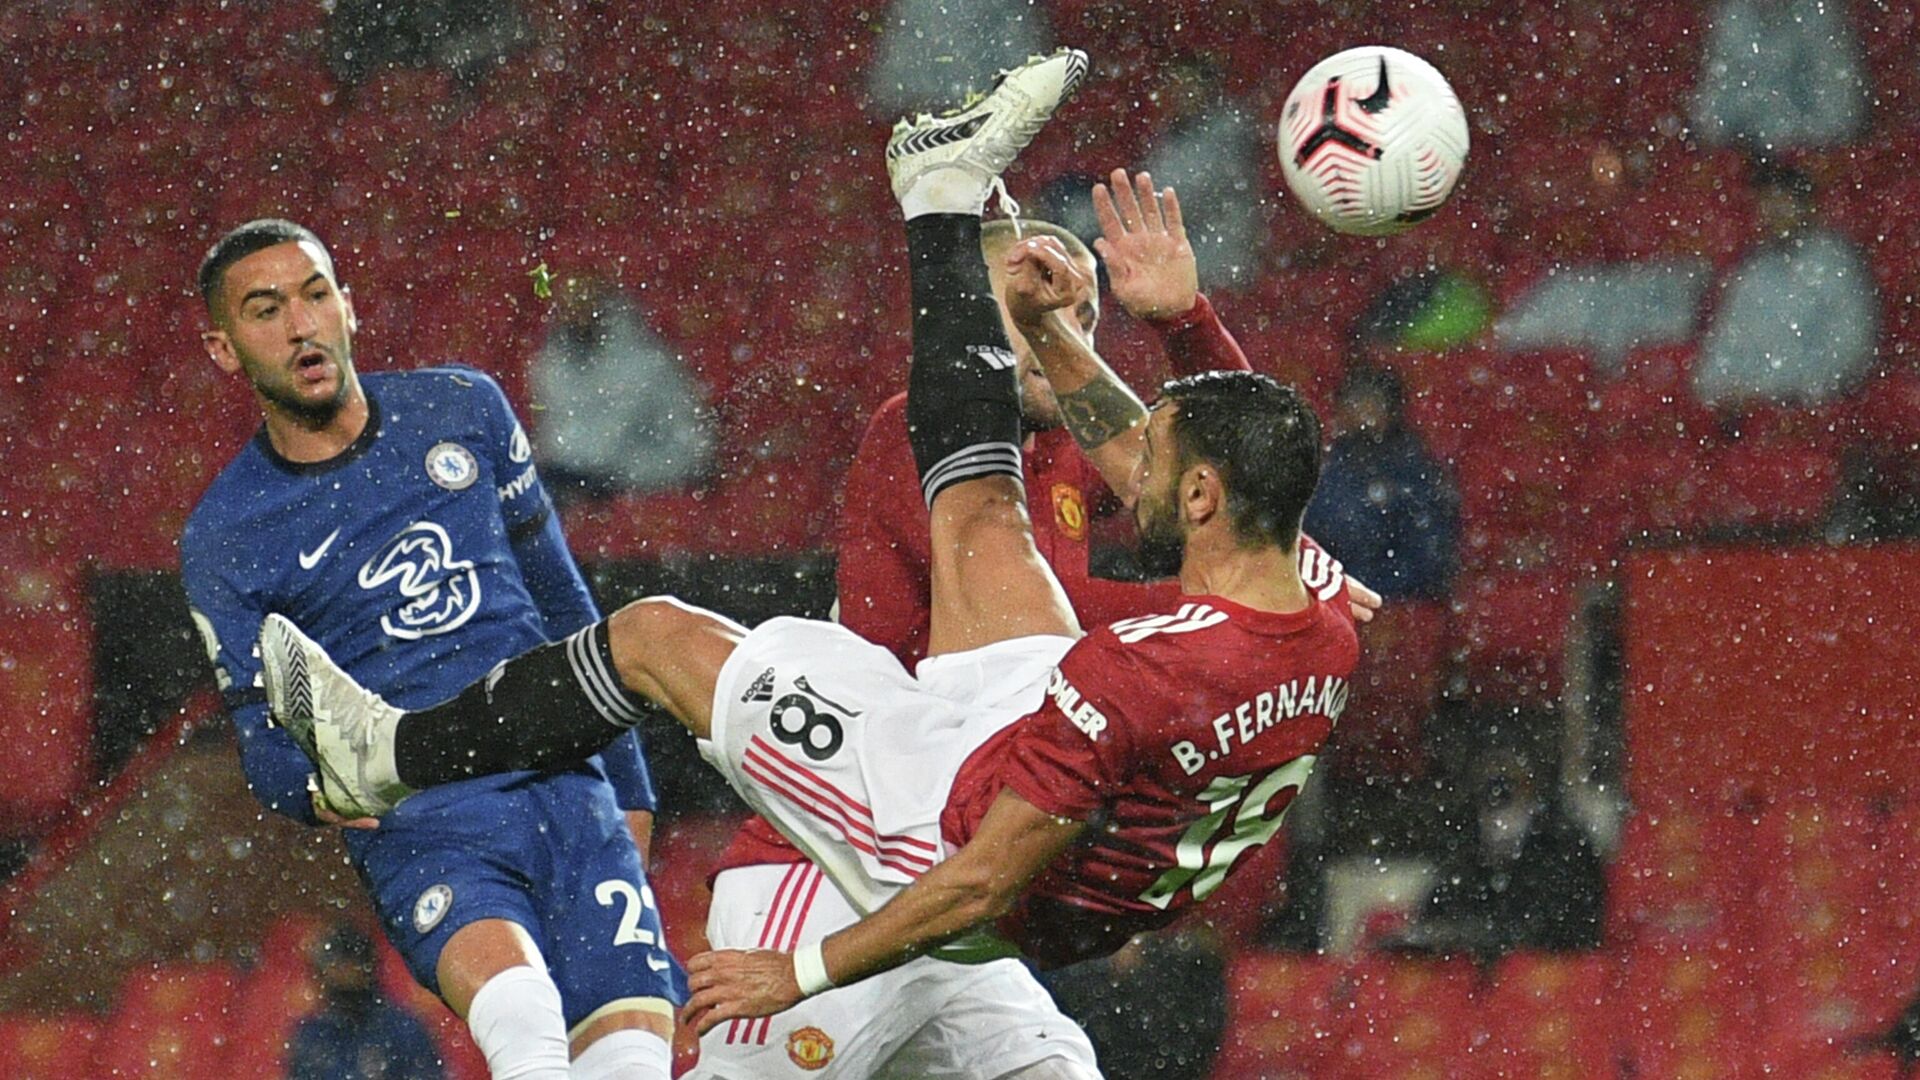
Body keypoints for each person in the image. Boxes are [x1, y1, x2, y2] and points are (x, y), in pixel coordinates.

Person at [258, 48, 1363, 1042]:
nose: (1122, 431)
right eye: (1009, 311)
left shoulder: (1139, 656)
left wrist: (797, 973)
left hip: (919, 831)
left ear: (1205, 496)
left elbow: (998, 851)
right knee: (983, 511)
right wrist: (1169, 323)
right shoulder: (1313, 614)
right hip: (990, 734)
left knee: (649, 639)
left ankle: (387, 757)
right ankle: (950, 190)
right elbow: (1221, 478)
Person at [696, 173, 1257, 1078]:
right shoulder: (918, 431)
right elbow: (1043, 613)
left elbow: (1235, 488)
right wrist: (1218, 622)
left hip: (952, 871)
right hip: (838, 853)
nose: (1060, 337)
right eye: (1033, 305)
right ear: (967, 323)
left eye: (1082, 317)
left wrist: (1185, 318)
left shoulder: (1064, 449)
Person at [180, 219, 684, 1080]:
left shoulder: (464, 409)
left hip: (568, 784)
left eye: (315, 294)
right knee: (523, 1029)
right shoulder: (226, 535)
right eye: (267, 311)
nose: (301, 325)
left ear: (348, 306)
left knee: (632, 1061)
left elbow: (568, 609)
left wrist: (630, 793)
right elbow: (262, 744)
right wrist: (314, 792)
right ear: (225, 350)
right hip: (428, 817)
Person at [1693, 160, 1878, 409]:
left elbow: (1849, 354)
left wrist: (1769, 392)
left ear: (1807, 205)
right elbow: (1720, 351)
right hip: (1748, 415)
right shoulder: (1753, 270)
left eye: (1782, 201)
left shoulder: (1835, 263)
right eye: (1767, 203)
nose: (1773, 211)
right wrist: (1721, 390)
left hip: (1812, 414)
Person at [530, 273, 714, 506]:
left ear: (604, 307)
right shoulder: (554, 359)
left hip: (636, 480)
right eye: (569, 305)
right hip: (579, 478)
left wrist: (623, 473)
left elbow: (690, 447)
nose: (575, 313)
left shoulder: (644, 362)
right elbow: (557, 437)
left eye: (584, 303)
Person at [1303, 364, 1457, 602]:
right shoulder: (1324, 472)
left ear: (1392, 412)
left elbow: (1429, 557)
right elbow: (1307, 545)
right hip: (1334, 603)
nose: (1361, 414)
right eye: (1352, 404)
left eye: (1371, 403)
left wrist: (1369, 588)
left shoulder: (1416, 473)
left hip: (1404, 607)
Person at [286, 921, 445, 1080]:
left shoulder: (401, 1028)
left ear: (367, 967)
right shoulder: (313, 1034)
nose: (341, 975)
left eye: (347, 966)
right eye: (332, 968)